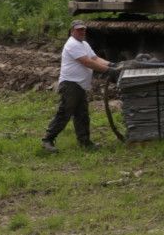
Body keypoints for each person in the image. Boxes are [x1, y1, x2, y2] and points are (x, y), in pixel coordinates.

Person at [43, 21, 114, 150]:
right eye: (79, 30)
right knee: (65, 112)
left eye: (83, 30)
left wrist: (111, 64)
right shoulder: (72, 44)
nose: (82, 32)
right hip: (71, 84)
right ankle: (48, 139)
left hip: (80, 85)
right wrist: (107, 70)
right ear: (72, 31)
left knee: (82, 114)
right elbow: (87, 62)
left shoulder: (84, 44)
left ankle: (85, 142)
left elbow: (95, 58)